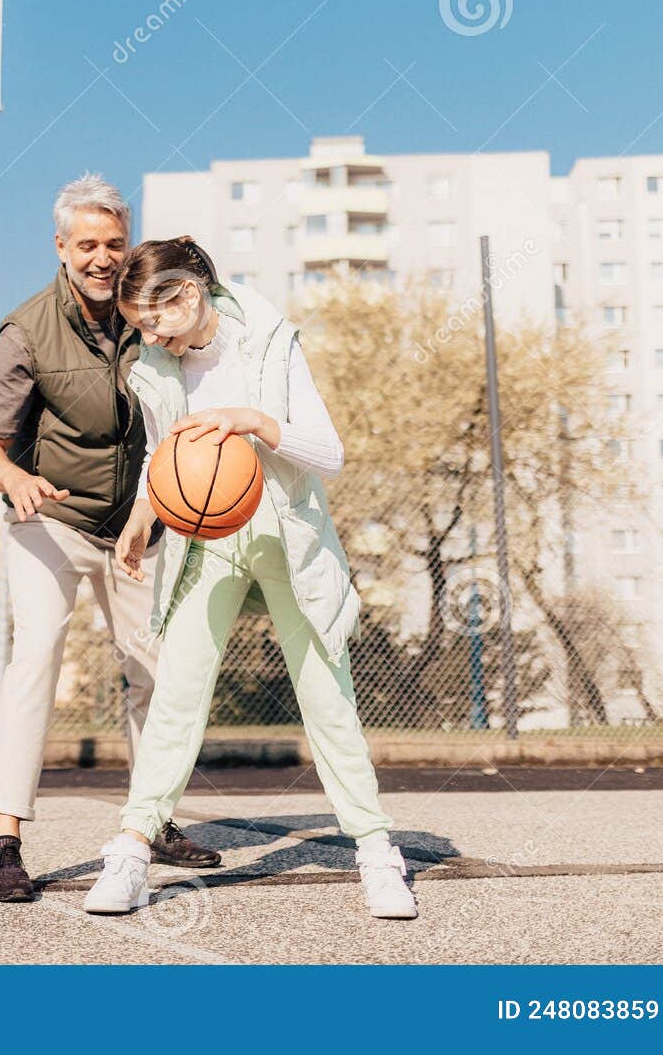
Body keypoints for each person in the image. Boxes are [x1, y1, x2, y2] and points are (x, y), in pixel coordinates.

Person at [80, 235, 417, 920]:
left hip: (288, 531)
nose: (147, 335)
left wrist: (253, 421)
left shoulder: (269, 340)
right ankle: (131, 850)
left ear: (189, 293)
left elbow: (330, 453)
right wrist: (144, 513)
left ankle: (379, 854)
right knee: (176, 693)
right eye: (139, 325)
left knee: (328, 697)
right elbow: (160, 453)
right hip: (209, 540)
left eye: (154, 318)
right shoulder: (154, 364)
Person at [0, 176, 220, 903]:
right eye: (88, 245)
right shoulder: (27, 328)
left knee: (154, 672)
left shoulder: (152, 311)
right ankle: (5, 839)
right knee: (36, 656)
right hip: (50, 516)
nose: (103, 258)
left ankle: (154, 818)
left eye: (115, 243)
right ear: (61, 247)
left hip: (141, 521)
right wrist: (14, 481)